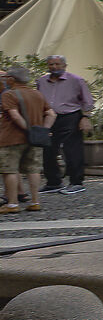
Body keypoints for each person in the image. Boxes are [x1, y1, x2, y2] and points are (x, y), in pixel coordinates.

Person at [1, 66, 56, 215]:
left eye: (6, 78)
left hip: (11, 138)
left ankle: (12, 203)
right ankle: (35, 201)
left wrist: (27, 129)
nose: (5, 81)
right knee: (33, 169)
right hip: (35, 140)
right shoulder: (37, 94)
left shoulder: (9, 95)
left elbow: (15, 115)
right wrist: (43, 130)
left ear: (12, 79)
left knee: (10, 170)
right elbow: (51, 114)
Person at [37, 55, 94, 196]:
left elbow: (87, 101)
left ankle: (76, 182)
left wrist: (85, 117)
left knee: (72, 149)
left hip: (70, 116)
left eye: (57, 64)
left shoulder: (76, 80)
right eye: (51, 64)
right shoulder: (41, 81)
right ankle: (53, 182)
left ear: (64, 65)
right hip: (49, 117)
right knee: (48, 149)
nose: (54, 67)